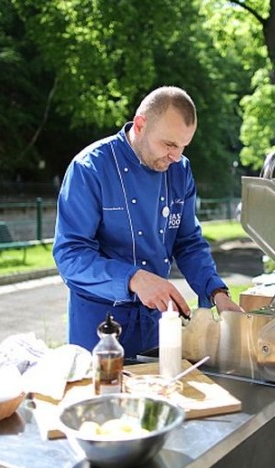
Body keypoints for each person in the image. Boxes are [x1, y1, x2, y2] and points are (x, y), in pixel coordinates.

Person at [53, 86, 243, 357]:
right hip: (98, 331)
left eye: (183, 146)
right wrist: (132, 279)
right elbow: (70, 256)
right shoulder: (89, 169)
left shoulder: (180, 170)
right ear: (140, 125)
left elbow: (188, 243)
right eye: (169, 145)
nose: (176, 156)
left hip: (156, 326)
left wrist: (216, 292)